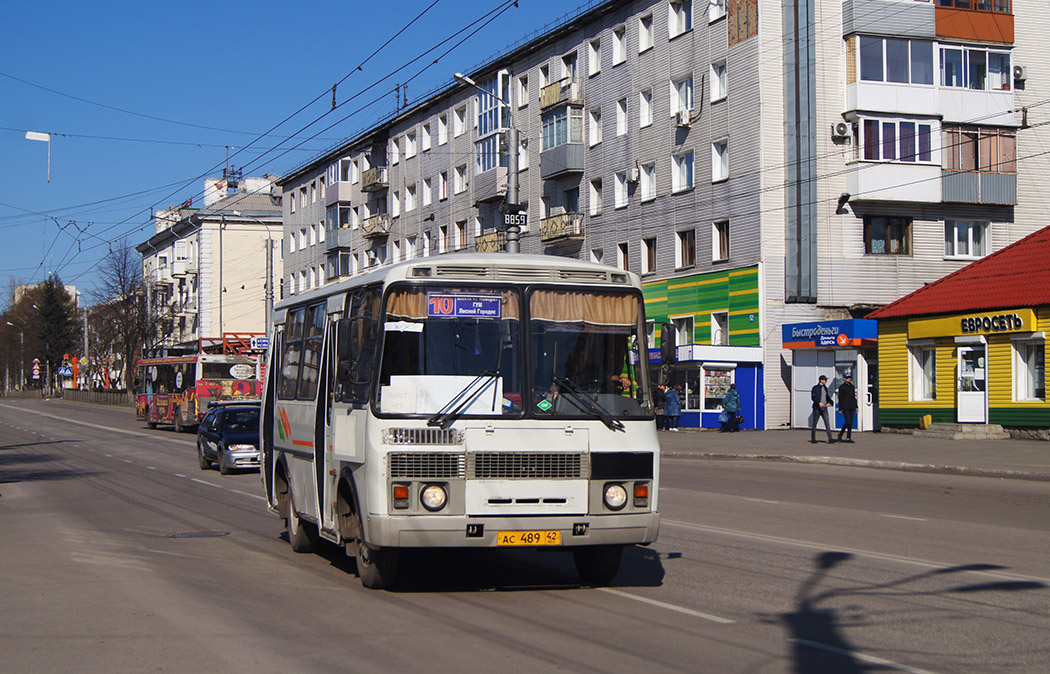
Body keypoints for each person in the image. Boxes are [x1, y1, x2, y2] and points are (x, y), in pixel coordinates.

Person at [810, 375, 835, 444]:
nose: (826, 381)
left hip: (824, 408)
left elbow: (827, 397)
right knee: (815, 423)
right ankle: (813, 438)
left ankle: (830, 438)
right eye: (825, 380)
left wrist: (830, 402)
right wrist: (818, 403)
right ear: (821, 380)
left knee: (827, 423)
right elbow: (813, 397)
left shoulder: (825, 388)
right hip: (817, 409)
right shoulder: (815, 388)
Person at [836, 373, 857, 443]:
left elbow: (854, 397)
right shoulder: (842, 387)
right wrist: (840, 408)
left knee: (850, 423)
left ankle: (848, 437)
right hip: (845, 407)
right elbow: (840, 398)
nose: (849, 379)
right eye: (847, 378)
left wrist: (856, 406)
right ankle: (840, 434)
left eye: (850, 378)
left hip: (852, 406)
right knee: (848, 421)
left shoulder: (852, 387)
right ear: (845, 379)